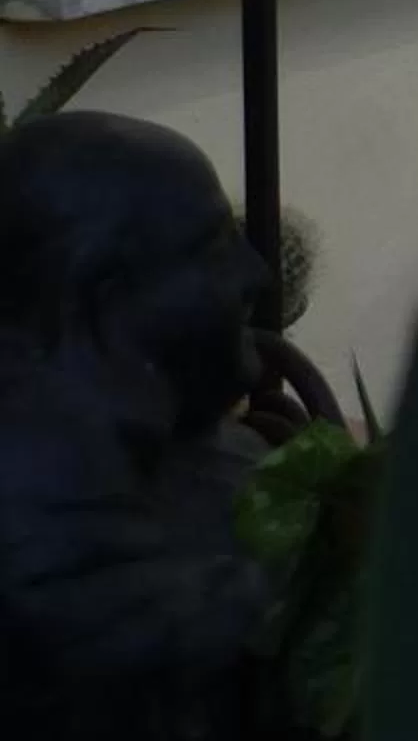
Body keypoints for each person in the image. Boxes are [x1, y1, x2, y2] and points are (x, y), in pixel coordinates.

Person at [0, 112, 275, 739]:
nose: (256, 275)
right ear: (105, 297)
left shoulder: (192, 453)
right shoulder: (40, 526)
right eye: (212, 248)